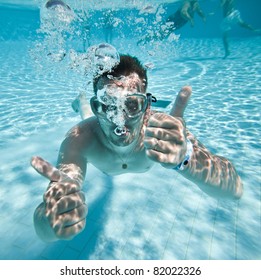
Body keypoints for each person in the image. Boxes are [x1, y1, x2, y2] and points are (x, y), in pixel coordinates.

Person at [31, 54, 243, 242]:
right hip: (90, 126)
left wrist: (187, 159)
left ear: (146, 106)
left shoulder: (165, 134)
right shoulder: (79, 139)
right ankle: (84, 102)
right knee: (85, 118)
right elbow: (46, 226)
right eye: (106, 105)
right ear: (99, 109)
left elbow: (235, 190)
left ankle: (88, 102)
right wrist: (49, 220)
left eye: (132, 105)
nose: (119, 119)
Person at [138, 0, 206, 44]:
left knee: (162, 36)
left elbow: (199, 11)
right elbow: (183, 12)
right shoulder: (187, 2)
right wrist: (191, 19)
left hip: (178, 23)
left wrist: (203, 17)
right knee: (161, 34)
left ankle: (146, 40)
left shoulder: (195, 4)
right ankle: (144, 39)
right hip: (173, 20)